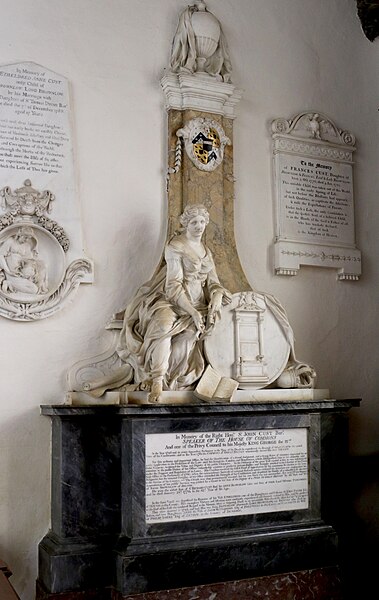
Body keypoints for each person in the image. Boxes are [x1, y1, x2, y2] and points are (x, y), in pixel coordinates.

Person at [0, 226, 48, 294]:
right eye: (25, 237)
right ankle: (9, 283)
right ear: (20, 235)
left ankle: (11, 284)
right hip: (12, 273)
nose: (26, 240)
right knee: (33, 290)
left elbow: (30, 260)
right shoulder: (10, 241)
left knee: (35, 289)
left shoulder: (26, 246)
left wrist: (34, 269)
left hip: (21, 274)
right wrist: (8, 271)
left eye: (28, 238)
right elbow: (1, 255)